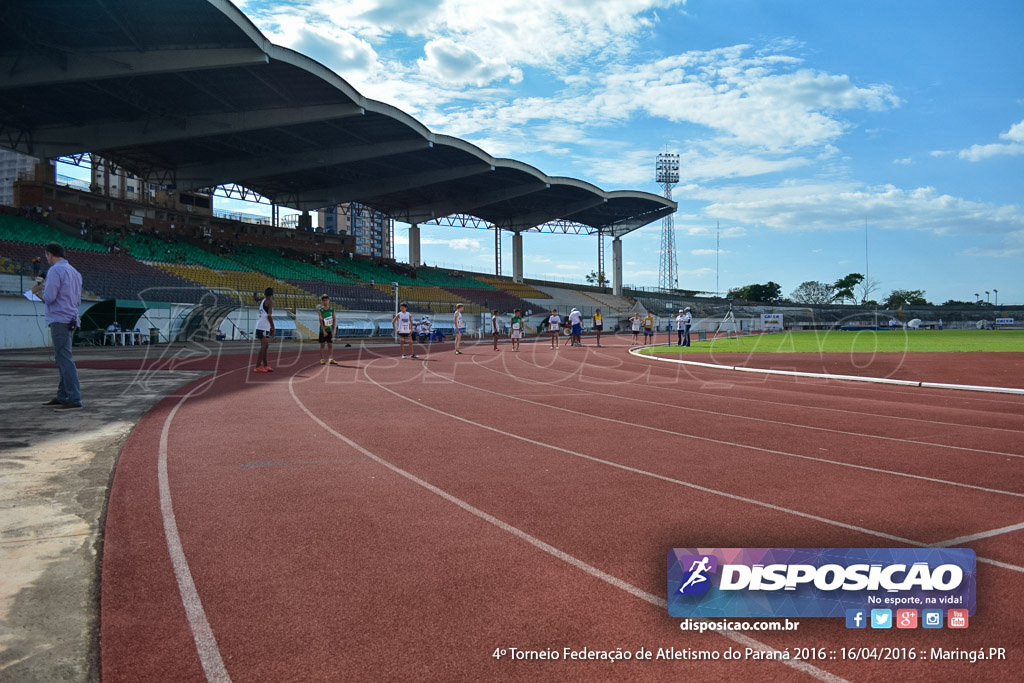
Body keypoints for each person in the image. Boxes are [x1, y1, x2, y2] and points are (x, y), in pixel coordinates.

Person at [32, 243, 83, 409]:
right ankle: (63, 395)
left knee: (65, 359)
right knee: (62, 358)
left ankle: (74, 397)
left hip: (59, 318)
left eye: (47, 256)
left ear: (50, 254)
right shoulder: (75, 272)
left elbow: (50, 297)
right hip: (71, 318)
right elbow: (77, 300)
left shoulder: (54, 270)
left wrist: (37, 293)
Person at [254, 287, 275, 372]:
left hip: (263, 326)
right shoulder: (270, 302)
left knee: (266, 346)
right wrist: (273, 326)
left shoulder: (263, 300)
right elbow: (269, 315)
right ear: (272, 294)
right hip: (263, 326)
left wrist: (255, 297)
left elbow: (257, 299)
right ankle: (257, 366)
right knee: (264, 346)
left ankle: (266, 365)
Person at [318, 294, 338, 365]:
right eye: (324, 300)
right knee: (322, 344)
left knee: (330, 345)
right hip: (323, 330)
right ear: (322, 301)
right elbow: (320, 321)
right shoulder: (321, 310)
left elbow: (334, 319)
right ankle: (322, 359)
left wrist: (334, 329)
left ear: (329, 301)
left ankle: (331, 359)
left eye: (326, 300)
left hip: (330, 329)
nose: (325, 301)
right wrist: (323, 330)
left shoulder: (332, 309)